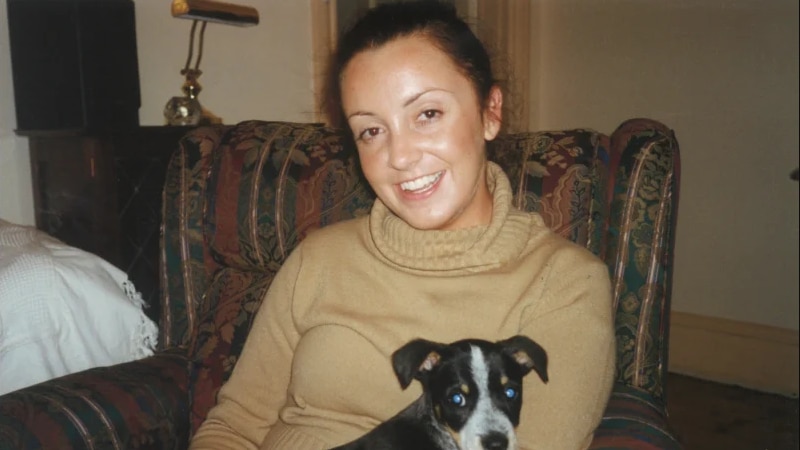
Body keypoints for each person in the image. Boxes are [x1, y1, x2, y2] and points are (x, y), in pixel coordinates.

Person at [189, 2, 615, 449]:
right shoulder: (317, 258)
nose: (399, 156)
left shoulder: (566, 282)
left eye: (427, 114)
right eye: (371, 131)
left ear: (490, 111)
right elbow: (233, 427)